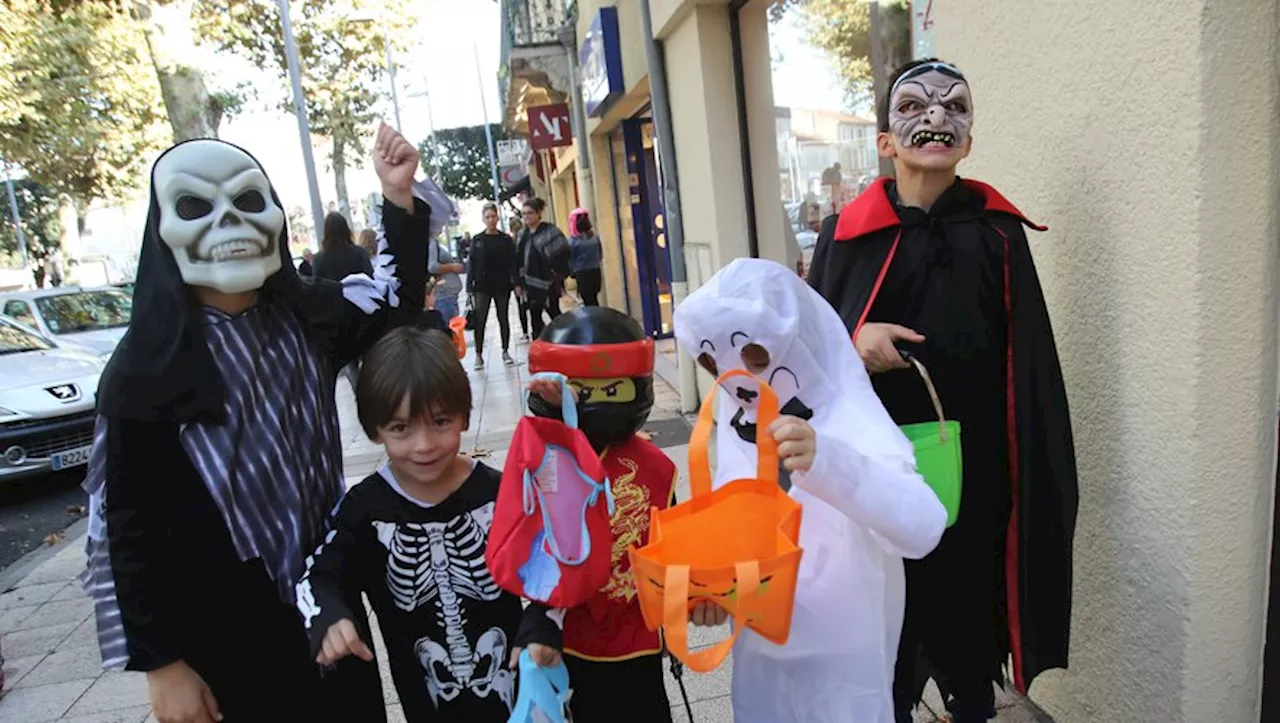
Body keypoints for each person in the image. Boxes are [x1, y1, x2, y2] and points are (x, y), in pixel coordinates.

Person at [80, 124, 441, 722]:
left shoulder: (309, 315)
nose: (229, 224)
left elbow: (394, 311)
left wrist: (398, 197)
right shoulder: (146, 366)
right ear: (163, 229)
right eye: (196, 207)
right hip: (222, 626)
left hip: (327, 595)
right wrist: (162, 665)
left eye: (248, 202)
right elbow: (130, 524)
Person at [807, 59, 1078, 722]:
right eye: (916, 107)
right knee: (885, 654)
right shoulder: (844, 236)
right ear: (884, 142)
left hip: (973, 482)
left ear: (970, 139)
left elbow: (1027, 367)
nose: (936, 119)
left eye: (955, 108)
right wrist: (853, 344)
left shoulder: (997, 233)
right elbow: (805, 357)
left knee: (967, 653)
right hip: (878, 479)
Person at [675, 258, 947, 723]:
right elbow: (736, 529)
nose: (737, 375)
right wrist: (713, 593)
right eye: (710, 360)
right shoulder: (739, 421)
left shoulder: (852, 421)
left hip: (844, 664)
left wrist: (830, 461)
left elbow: (922, 525)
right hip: (760, 658)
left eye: (753, 355)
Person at [295, 326, 563, 721]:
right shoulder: (365, 509)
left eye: (440, 422)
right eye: (400, 428)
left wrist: (542, 623)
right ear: (374, 430)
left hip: (519, 702)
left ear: (464, 416)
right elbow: (319, 574)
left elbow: (555, 557)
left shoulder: (498, 492)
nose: (423, 445)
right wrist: (328, 614)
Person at [526, 306, 677, 722]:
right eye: (582, 392)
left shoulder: (657, 468)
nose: (594, 402)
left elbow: (674, 549)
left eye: (613, 390)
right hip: (569, 632)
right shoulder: (547, 463)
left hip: (637, 631)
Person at [314, 212, 376, 388]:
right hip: (362, 311)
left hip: (337, 315)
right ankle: (374, 391)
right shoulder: (359, 253)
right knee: (369, 356)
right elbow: (370, 280)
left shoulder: (320, 259)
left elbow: (317, 288)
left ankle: (359, 392)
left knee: (349, 362)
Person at [466, 202, 518, 370]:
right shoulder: (478, 240)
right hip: (482, 286)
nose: (491, 220)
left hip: (502, 284)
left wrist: (516, 283)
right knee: (480, 319)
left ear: (497, 217)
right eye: (487, 217)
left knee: (503, 318)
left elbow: (513, 263)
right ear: (483, 219)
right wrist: (469, 286)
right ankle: (479, 354)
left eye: (493, 216)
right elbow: (471, 264)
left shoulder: (505, 239)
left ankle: (505, 350)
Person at [515, 198, 569, 339]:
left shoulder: (551, 232)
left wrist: (556, 274)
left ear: (538, 213)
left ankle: (566, 340)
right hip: (530, 284)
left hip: (549, 282)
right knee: (535, 317)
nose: (527, 216)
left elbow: (563, 253)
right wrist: (518, 283)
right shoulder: (522, 235)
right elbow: (518, 259)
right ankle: (540, 347)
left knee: (555, 314)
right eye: (524, 214)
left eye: (530, 213)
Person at [567, 208, 603, 307]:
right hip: (595, 271)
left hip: (582, 273)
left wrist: (571, 271)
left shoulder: (572, 241)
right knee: (594, 298)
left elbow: (570, 258)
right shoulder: (595, 238)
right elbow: (600, 254)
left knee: (587, 300)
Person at [429, 233, 465, 322]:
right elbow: (432, 267)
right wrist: (452, 267)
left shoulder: (434, 243)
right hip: (444, 297)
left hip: (448, 296)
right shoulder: (431, 242)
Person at [509, 215, 532, 343]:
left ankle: (525, 332)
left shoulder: (512, 243)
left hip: (518, 279)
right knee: (532, 304)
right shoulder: (526, 240)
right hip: (529, 277)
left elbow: (512, 265)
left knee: (521, 306)